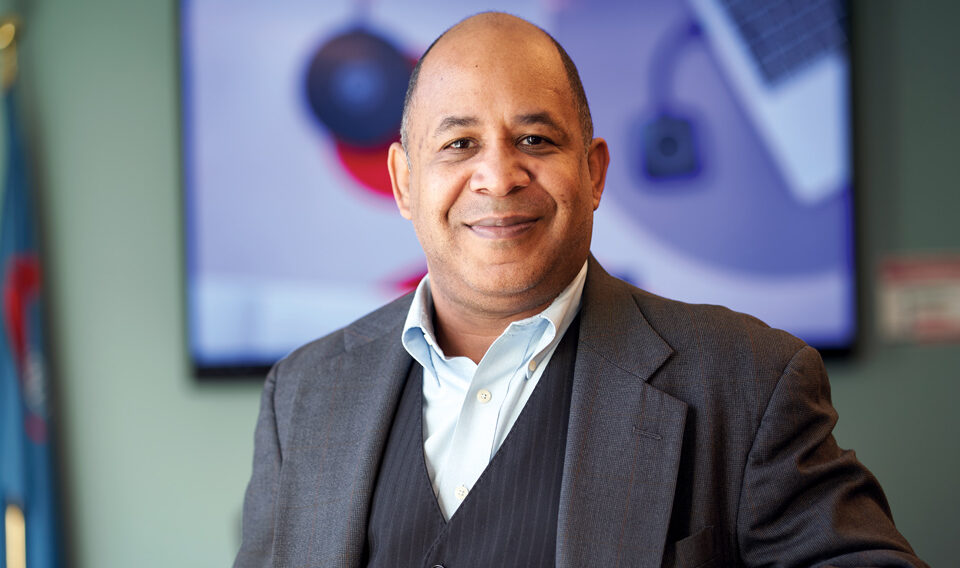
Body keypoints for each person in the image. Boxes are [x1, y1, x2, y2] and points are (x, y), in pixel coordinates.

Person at [234, 12, 926, 568]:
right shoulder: (302, 396)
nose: (498, 178)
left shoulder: (748, 380)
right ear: (403, 183)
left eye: (535, 140)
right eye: (459, 144)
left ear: (593, 174)